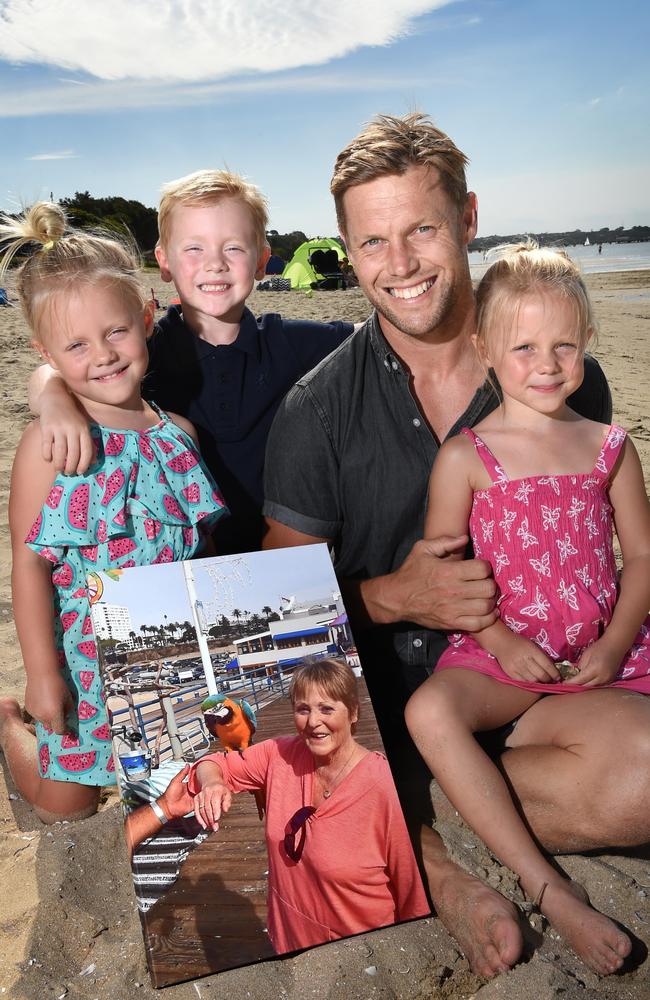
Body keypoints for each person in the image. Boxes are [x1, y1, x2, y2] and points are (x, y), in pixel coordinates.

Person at [262, 113, 650, 977]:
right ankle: (425, 839)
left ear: (469, 218)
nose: (398, 265)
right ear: (347, 250)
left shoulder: (556, 372)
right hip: (396, 702)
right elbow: (272, 616)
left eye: (422, 229)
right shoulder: (317, 411)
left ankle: (418, 815)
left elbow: (603, 546)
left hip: (544, 684)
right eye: (372, 242)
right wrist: (393, 596)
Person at [404, 243, 649, 976]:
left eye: (564, 346)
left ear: (587, 345)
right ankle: (552, 889)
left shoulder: (609, 447)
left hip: (595, 654)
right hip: (501, 655)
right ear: (484, 349)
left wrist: (613, 643)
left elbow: (641, 560)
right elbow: (443, 572)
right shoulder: (467, 457)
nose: (546, 363)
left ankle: (498, 786)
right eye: (524, 347)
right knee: (426, 712)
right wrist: (500, 637)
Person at [0, 202, 225, 823]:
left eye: (116, 332)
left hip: (167, 661)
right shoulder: (49, 444)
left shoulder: (178, 433)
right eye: (76, 345)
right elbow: (27, 567)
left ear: (147, 319)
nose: (102, 354)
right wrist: (43, 676)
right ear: (46, 351)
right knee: (63, 807)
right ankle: (9, 733)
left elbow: (196, 560)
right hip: (79, 664)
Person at [28, 170, 355, 554]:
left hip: (277, 558)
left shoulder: (295, 342)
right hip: (180, 563)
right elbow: (61, 364)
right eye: (194, 248)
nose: (215, 263)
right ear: (164, 262)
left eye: (233, 247)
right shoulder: (142, 348)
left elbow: (376, 333)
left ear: (262, 261)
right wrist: (52, 395)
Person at [150, 658, 428, 953]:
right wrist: (213, 783)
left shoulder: (385, 787)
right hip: (288, 941)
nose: (313, 722)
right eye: (302, 709)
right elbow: (210, 762)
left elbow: (414, 897)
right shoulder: (279, 753)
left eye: (327, 708)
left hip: (363, 954)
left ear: (354, 712)